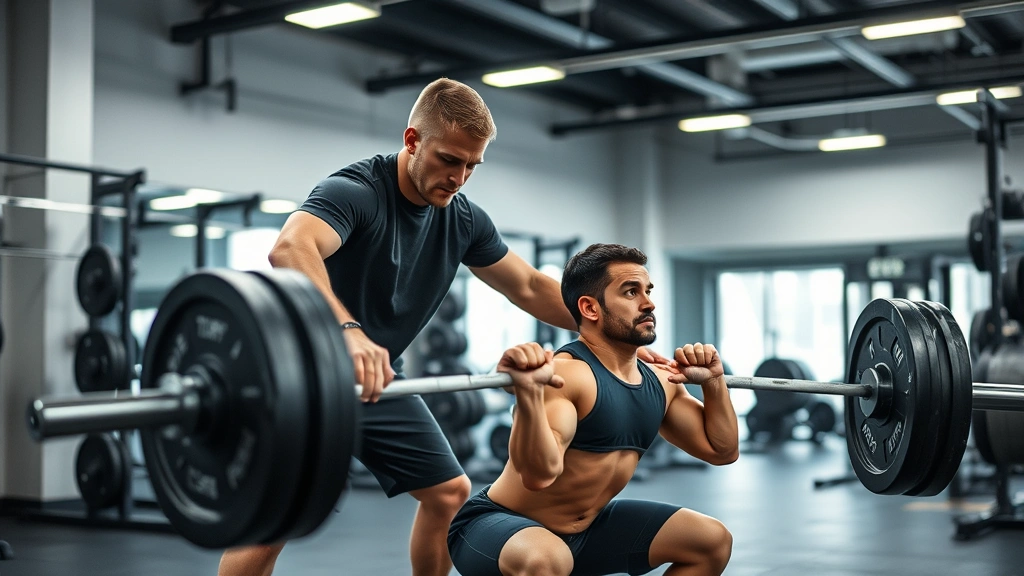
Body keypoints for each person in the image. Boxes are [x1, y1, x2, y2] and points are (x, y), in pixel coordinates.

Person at [217, 80, 674, 576]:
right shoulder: (355, 192)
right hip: (305, 376)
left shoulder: (464, 221)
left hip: (379, 380)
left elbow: (527, 286)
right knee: (282, 517)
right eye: (448, 160)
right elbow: (291, 249)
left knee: (448, 493)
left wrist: (612, 337)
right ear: (412, 140)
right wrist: (347, 331)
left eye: (471, 166)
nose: (458, 177)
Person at [448, 243, 739, 576]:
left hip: (586, 532)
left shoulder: (663, 380)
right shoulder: (567, 374)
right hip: (500, 527)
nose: (649, 303)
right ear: (590, 308)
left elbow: (722, 450)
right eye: (631, 292)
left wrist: (714, 383)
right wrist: (527, 396)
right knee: (547, 559)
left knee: (710, 540)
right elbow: (538, 475)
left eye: (647, 290)